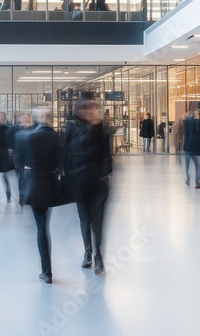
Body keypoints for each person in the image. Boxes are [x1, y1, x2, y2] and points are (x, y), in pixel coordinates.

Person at [14, 107, 65, 283]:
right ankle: (46, 271)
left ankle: (47, 271)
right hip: (51, 184)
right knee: (45, 225)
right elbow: (61, 161)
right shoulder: (57, 137)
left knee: (41, 227)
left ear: (36, 118)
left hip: (34, 184)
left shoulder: (25, 137)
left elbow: (19, 164)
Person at [65, 99, 113, 275]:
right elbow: (66, 155)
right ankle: (88, 253)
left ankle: (99, 255)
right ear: (79, 112)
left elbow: (108, 156)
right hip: (80, 183)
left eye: (94, 109)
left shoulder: (103, 130)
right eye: (86, 110)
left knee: (98, 223)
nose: (90, 112)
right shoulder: (72, 129)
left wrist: (104, 174)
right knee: (85, 220)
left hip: (99, 183)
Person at [9, 111, 33, 208]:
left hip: (29, 155)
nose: (28, 118)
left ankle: (26, 195)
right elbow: (10, 141)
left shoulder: (32, 128)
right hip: (18, 156)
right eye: (26, 116)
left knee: (28, 176)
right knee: (21, 176)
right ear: (20, 118)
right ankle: (22, 197)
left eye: (28, 116)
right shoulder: (14, 129)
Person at [176, 110, 200, 188]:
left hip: (187, 147)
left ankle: (188, 179)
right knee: (199, 166)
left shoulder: (186, 122)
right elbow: (198, 132)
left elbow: (182, 122)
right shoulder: (197, 122)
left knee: (187, 165)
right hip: (195, 148)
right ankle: (197, 182)